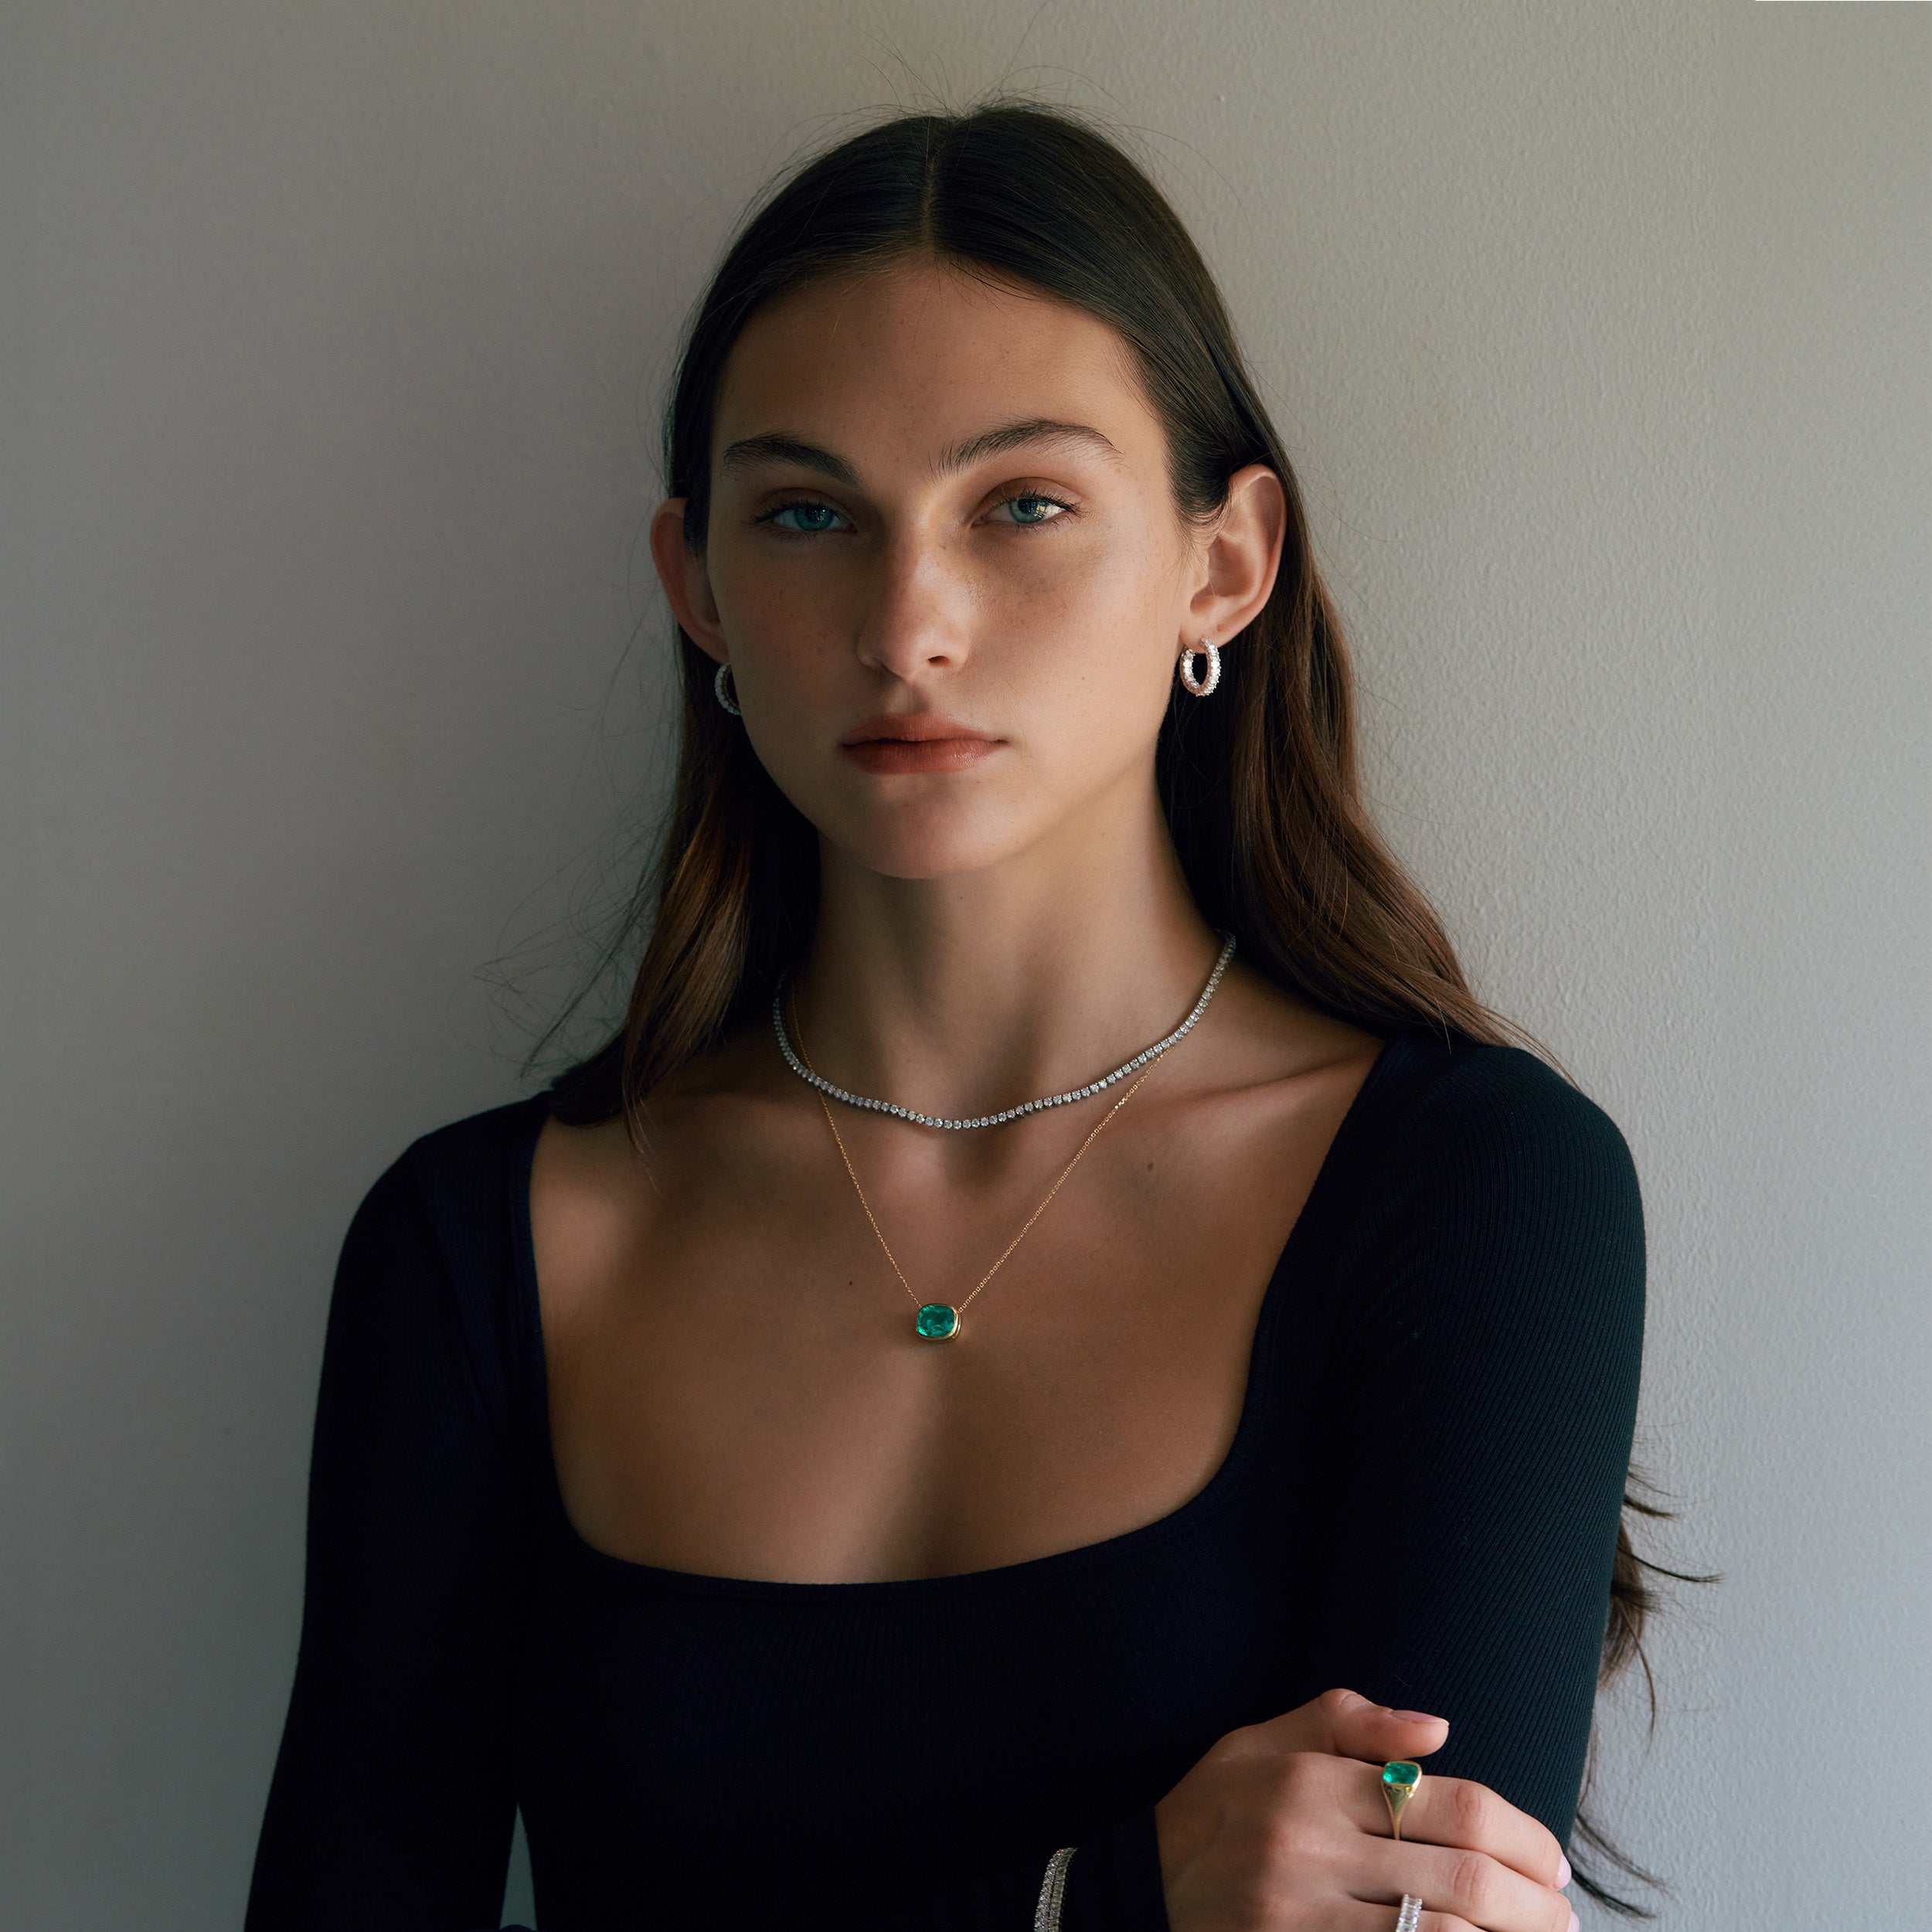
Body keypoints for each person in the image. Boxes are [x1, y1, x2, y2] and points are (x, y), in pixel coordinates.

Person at [243, 100, 1647, 1932]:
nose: (906, 624)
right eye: (807, 513)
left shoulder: (1471, 1192)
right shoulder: (482, 1245)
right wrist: (1105, 1899)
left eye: (1022, 505)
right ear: (697, 585)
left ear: (1222, 563)